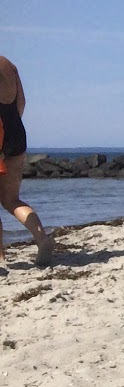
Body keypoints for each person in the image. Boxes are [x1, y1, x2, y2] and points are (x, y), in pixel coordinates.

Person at [0, 56, 53, 267]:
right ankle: (42, 238)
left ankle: (1, 258)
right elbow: (21, 102)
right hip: (15, 130)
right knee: (12, 199)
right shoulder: (8, 64)